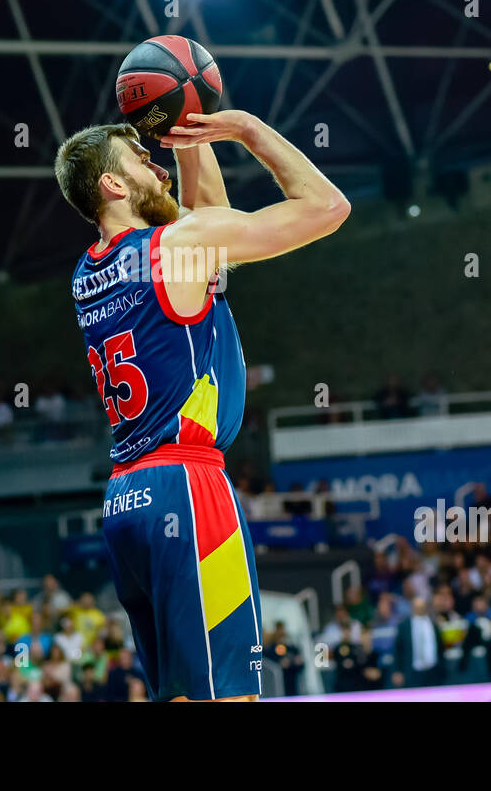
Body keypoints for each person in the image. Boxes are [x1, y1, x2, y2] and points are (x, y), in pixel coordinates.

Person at [56, 110, 349, 701]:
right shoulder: (179, 244)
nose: (155, 167)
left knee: (184, 694)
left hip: (126, 501)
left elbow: (203, 220)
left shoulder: (89, 270)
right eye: (140, 158)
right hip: (188, 488)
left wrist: (191, 144)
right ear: (113, 185)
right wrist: (246, 130)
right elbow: (327, 208)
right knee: (230, 692)